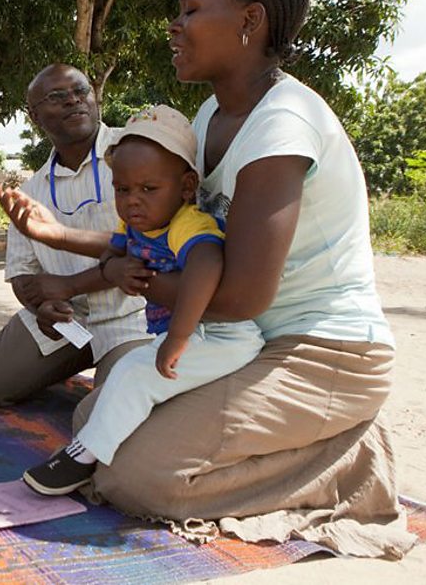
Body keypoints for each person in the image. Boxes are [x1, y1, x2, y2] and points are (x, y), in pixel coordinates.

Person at [0, 0, 411, 557]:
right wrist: (70, 243)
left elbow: (241, 295)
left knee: (134, 477)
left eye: (190, 10)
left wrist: (125, 276)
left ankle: (346, 460)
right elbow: (168, 237)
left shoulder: (282, 127)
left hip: (325, 352)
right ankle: (277, 439)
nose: (174, 25)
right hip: (241, 341)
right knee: (102, 415)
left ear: (250, 22)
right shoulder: (215, 112)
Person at [17, 105, 263, 495]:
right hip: (194, 334)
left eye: (149, 189)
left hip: (221, 337)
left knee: (134, 374)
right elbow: (113, 250)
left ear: (185, 187)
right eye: (122, 189)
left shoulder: (189, 224)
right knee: (129, 375)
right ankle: (89, 448)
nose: (133, 201)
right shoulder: (138, 220)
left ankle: (82, 458)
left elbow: (206, 268)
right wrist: (60, 238)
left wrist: (178, 338)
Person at [0, 64, 150, 407]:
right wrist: (42, 306)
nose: (73, 101)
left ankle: (115, 375)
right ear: (34, 115)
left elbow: (149, 250)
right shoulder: (32, 191)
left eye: (81, 92)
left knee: (111, 415)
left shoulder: (138, 152)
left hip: (135, 317)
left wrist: (70, 284)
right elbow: (22, 274)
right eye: (56, 97)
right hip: (68, 320)